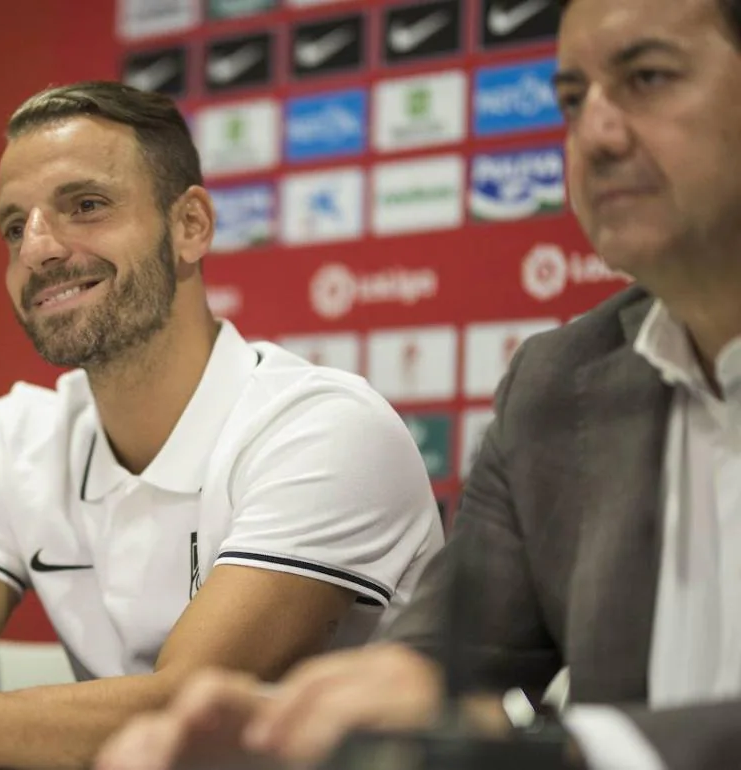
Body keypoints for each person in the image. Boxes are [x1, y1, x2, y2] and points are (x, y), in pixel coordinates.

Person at [95, 1, 741, 769]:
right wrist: (291, 732)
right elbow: (432, 669)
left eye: (648, 78)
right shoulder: (560, 386)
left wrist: (569, 752)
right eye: (573, 100)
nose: (595, 136)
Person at [0, 82, 445, 769]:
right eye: (16, 226)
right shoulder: (16, 435)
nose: (38, 248)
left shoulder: (322, 429)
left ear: (190, 225)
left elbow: (186, 715)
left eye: (86, 205)